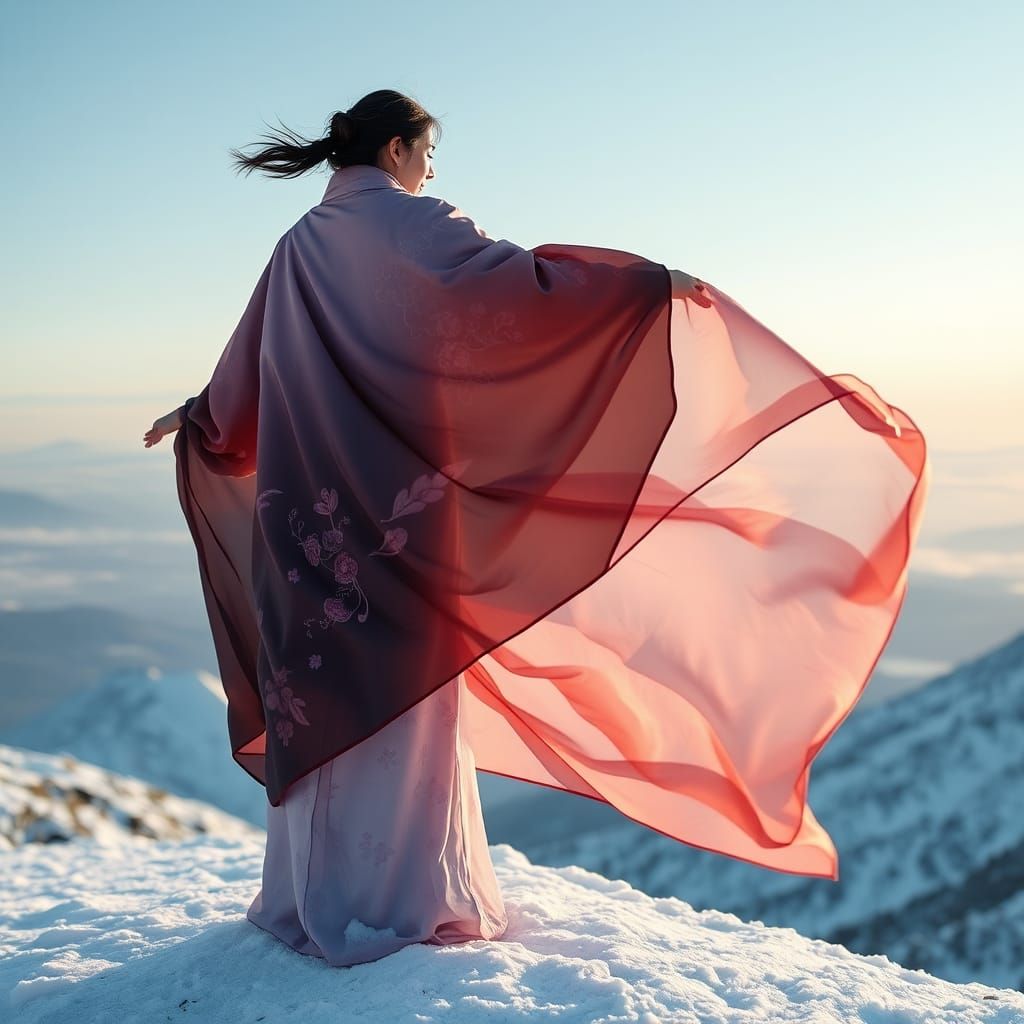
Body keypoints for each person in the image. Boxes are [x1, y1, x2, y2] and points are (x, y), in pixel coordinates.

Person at [144, 89, 928, 968]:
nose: (434, 169)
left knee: (321, 697)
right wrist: (638, 290)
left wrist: (198, 417)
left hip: (304, 530)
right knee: (404, 710)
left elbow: (245, 375)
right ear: (399, 149)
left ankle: (307, 897)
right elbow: (525, 297)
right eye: (430, 150)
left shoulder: (299, 248)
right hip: (402, 529)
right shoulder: (419, 225)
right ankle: (400, 902)